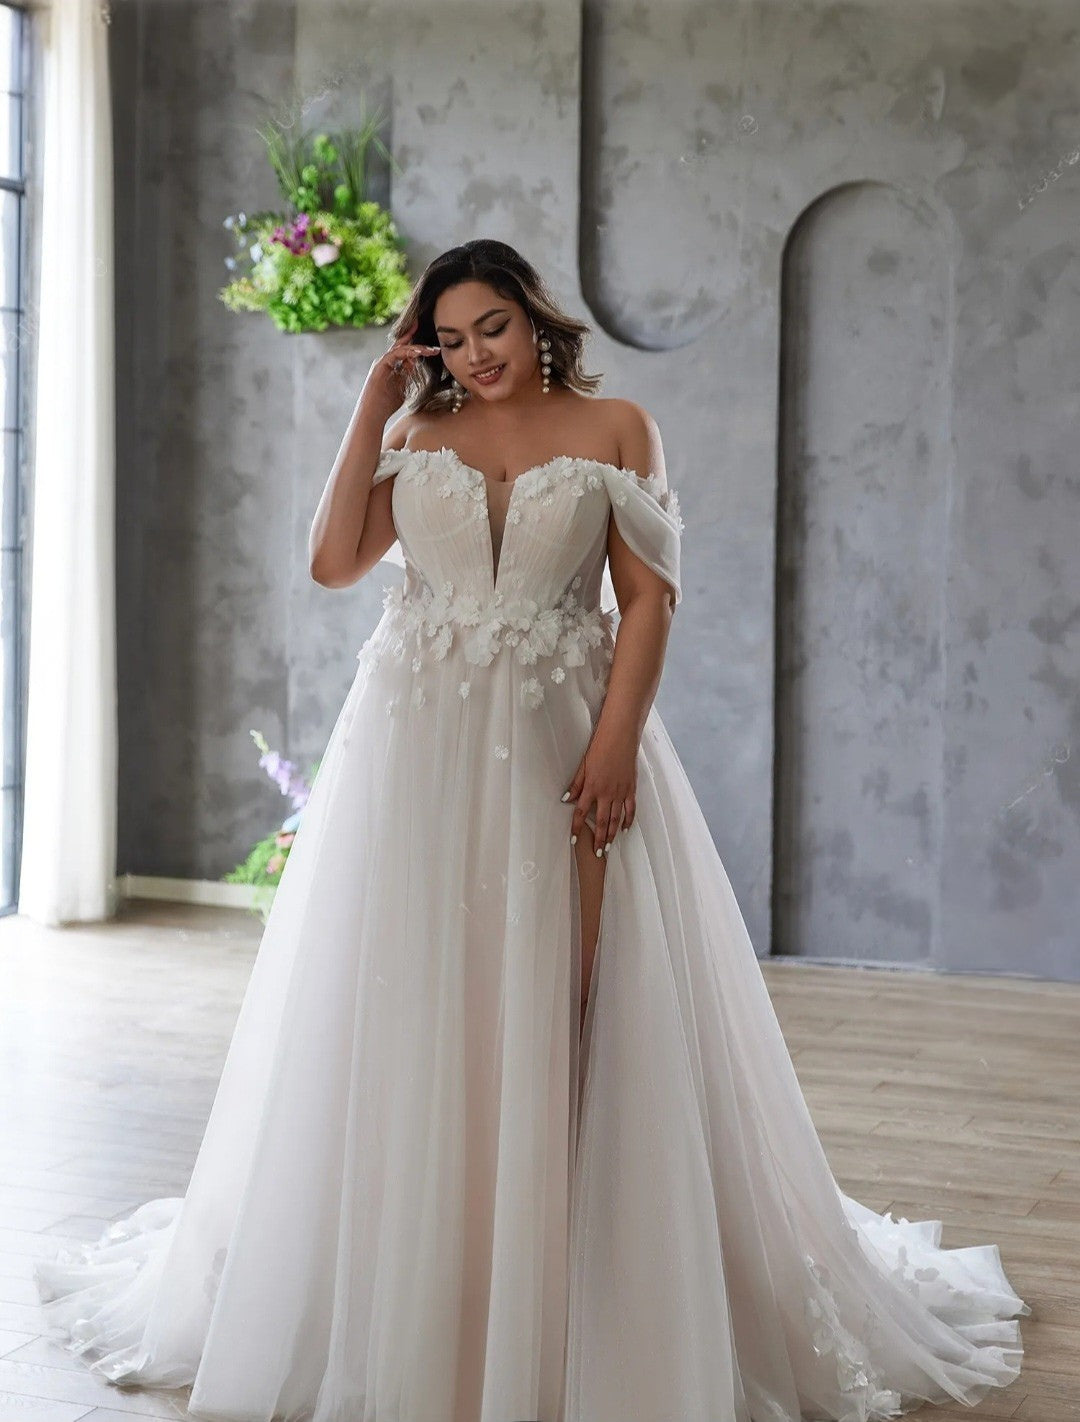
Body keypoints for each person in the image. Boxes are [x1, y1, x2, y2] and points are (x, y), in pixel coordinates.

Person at [35, 238, 1028, 1422]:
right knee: (413, 998)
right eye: (449, 339)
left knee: (569, 993)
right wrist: (371, 406)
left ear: (532, 317)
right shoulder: (412, 436)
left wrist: (615, 743)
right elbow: (332, 560)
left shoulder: (620, 431)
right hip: (414, 748)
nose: (474, 356)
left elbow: (651, 598)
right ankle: (431, 1268)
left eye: (489, 328)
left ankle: (565, 1268)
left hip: (565, 736)